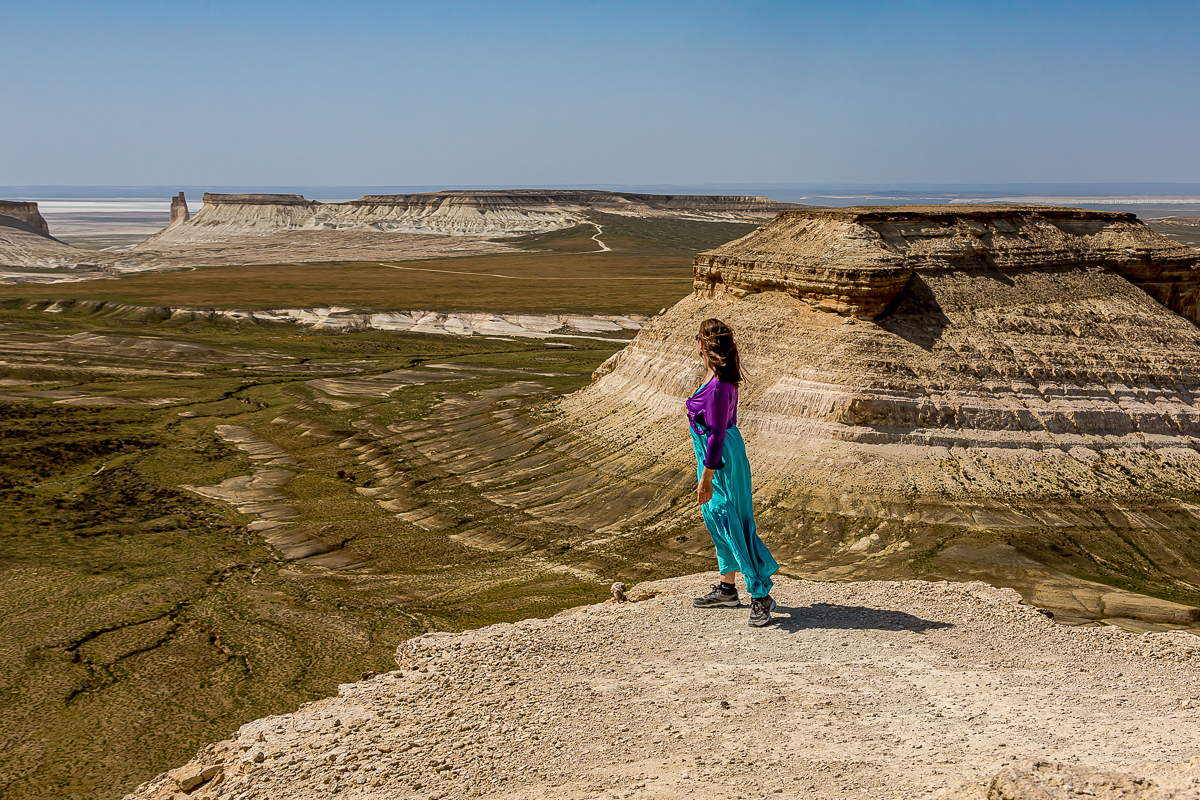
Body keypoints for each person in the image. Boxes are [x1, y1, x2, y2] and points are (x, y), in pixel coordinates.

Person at [686, 318, 780, 627]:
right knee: (718, 520)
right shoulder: (721, 379)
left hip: (720, 459)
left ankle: (760, 595)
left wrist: (706, 479)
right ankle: (727, 588)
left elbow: (715, 435)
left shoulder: (716, 387)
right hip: (721, 455)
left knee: (730, 521)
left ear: (701, 345)